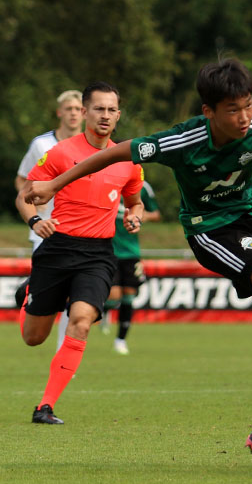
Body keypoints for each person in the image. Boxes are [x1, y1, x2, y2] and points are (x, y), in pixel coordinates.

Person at [23, 58, 252, 466]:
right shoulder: (179, 141)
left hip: (251, 221)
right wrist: (55, 184)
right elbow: (116, 153)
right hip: (210, 232)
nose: (243, 118)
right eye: (232, 110)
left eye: (248, 106)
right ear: (208, 111)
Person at [15, 82, 144, 425]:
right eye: (98, 108)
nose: (105, 115)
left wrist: (135, 215)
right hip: (57, 249)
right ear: (84, 112)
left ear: (118, 115)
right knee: (33, 338)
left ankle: (45, 406)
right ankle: (30, 291)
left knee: (82, 322)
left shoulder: (128, 160)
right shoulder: (59, 152)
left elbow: (135, 199)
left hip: (99, 253)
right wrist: (34, 220)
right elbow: (24, 195)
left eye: (111, 110)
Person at [15, 90, 85, 349]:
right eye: (69, 109)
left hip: (80, 229)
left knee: (74, 294)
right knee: (47, 291)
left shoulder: (94, 145)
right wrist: (33, 208)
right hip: (45, 229)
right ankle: (26, 295)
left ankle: (63, 350)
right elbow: (22, 180)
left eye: (78, 109)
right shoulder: (41, 144)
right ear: (60, 112)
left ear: (84, 112)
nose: (74, 113)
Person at [101, 180, 161, 355]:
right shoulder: (106, 179)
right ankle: (106, 310)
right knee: (114, 296)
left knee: (129, 295)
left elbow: (156, 214)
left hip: (131, 252)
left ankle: (120, 340)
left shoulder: (142, 186)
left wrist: (140, 216)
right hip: (108, 250)